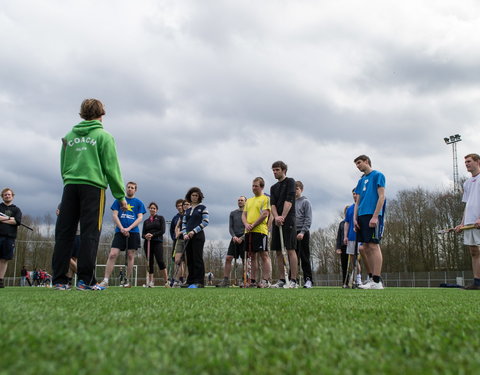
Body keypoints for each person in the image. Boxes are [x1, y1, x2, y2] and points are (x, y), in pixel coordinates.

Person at [52, 98, 127, 291]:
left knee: (64, 233)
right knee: (90, 233)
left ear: (81, 114)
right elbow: (112, 168)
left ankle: (59, 280)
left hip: (70, 186)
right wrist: (120, 196)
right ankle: (86, 281)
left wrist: (68, 181)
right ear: (102, 115)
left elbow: (64, 163)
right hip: (93, 188)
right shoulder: (104, 136)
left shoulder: (69, 135)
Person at [100, 182, 146, 288]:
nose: (130, 189)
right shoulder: (119, 201)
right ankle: (105, 280)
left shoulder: (139, 203)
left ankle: (127, 280)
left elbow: (140, 218)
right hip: (119, 231)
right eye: (128, 187)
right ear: (126, 189)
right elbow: (115, 215)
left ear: (135, 190)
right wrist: (121, 228)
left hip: (133, 232)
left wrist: (129, 228)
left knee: (130, 255)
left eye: (132, 188)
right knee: (113, 254)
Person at [353, 155, 386, 290]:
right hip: (361, 215)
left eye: (359, 163)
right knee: (365, 247)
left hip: (371, 215)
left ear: (366, 161)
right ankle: (372, 278)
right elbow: (357, 201)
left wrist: (375, 216)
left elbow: (382, 196)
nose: (358, 166)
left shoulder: (378, 175)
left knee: (373, 246)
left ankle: (377, 281)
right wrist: (355, 218)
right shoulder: (361, 181)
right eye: (356, 164)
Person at [270, 161, 299, 288]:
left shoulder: (290, 182)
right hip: (277, 221)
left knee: (290, 249)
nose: (275, 172)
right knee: (278, 251)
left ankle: (293, 280)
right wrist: (276, 217)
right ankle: (282, 279)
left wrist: (283, 216)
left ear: (284, 170)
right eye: (273, 170)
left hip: (288, 219)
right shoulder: (273, 187)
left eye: (277, 170)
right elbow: (273, 205)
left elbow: (289, 200)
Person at [455, 153, 480, 290]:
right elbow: (467, 204)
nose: (467, 164)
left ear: (478, 162)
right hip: (470, 222)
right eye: (465, 162)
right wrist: (462, 223)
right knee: (474, 251)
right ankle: (477, 282)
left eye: (469, 161)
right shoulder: (467, 183)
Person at [242, 177, 272, 288]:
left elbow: (265, 214)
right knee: (252, 256)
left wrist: (253, 224)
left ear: (262, 187)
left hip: (260, 231)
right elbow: (243, 215)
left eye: (256, 186)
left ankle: (265, 280)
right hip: (248, 231)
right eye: (253, 186)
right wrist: (246, 224)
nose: (254, 188)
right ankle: (253, 281)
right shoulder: (249, 200)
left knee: (264, 255)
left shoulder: (266, 199)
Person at [181, 187, 209, 288]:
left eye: (196, 195)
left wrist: (194, 231)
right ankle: (190, 280)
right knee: (190, 259)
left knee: (197, 258)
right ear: (190, 196)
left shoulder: (203, 208)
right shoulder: (187, 210)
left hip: (198, 236)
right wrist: (184, 234)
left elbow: (205, 222)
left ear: (199, 197)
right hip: (187, 237)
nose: (194, 197)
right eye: (193, 195)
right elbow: (184, 223)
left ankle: (199, 281)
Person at [217, 196, 246, 287]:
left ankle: (244, 280)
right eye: (238, 200)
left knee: (245, 260)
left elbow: (249, 227)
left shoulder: (248, 213)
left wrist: (242, 238)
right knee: (228, 258)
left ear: (246, 202)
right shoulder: (233, 213)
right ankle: (225, 280)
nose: (240, 201)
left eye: (242, 200)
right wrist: (234, 236)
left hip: (244, 239)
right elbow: (230, 227)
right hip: (234, 239)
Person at [142, 202, 169, 287]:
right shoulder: (146, 221)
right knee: (150, 262)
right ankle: (151, 282)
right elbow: (142, 234)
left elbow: (162, 230)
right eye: (151, 208)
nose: (152, 209)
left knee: (160, 261)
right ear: (149, 209)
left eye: (154, 208)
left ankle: (166, 281)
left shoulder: (160, 218)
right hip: (148, 243)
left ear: (156, 210)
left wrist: (153, 235)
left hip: (157, 242)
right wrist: (146, 236)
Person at [0, 188, 22, 288]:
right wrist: (10, 218)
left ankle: (0, 280)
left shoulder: (16, 209)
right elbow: (13, 220)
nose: (7, 196)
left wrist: (2, 219)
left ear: (12, 196)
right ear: (2, 196)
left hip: (9, 238)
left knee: (4, 259)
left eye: (9, 194)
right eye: (5, 195)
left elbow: (17, 222)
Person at [295, 181, 313, 288]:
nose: (295, 191)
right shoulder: (290, 203)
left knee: (305, 257)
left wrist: (302, 232)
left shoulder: (306, 202)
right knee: (293, 258)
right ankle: (294, 280)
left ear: (301, 189)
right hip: (293, 233)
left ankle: (308, 279)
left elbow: (308, 219)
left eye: (297, 189)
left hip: (303, 233)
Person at [344, 190, 363, 287]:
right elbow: (346, 223)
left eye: (356, 193)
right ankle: (356, 279)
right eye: (353, 194)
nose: (355, 195)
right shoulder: (350, 209)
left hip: (361, 238)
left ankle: (361, 278)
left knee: (361, 259)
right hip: (351, 237)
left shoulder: (362, 206)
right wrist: (345, 236)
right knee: (353, 260)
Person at [171, 200, 190, 287]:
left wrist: (181, 232)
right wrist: (176, 233)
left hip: (187, 240)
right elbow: (176, 227)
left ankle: (186, 279)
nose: (180, 207)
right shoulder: (177, 217)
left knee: (187, 261)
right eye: (178, 206)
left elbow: (189, 227)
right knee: (177, 260)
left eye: (181, 205)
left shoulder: (189, 214)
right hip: (178, 241)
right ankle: (177, 280)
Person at [336, 206, 349, 288]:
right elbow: (338, 236)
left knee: (353, 264)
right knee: (344, 265)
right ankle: (345, 282)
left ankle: (356, 280)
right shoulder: (342, 223)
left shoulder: (354, 222)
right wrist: (338, 247)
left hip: (352, 245)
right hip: (343, 247)